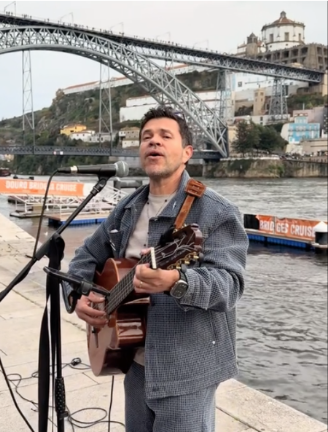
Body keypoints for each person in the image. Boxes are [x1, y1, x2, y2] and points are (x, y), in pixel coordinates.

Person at [68, 106, 248, 432]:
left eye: (166, 136)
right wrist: (77, 295)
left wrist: (175, 280)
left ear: (187, 153)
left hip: (187, 368)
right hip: (133, 362)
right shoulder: (126, 209)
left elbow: (229, 285)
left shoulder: (217, 211)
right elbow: (84, 257)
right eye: (147, 137)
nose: (154, 142)